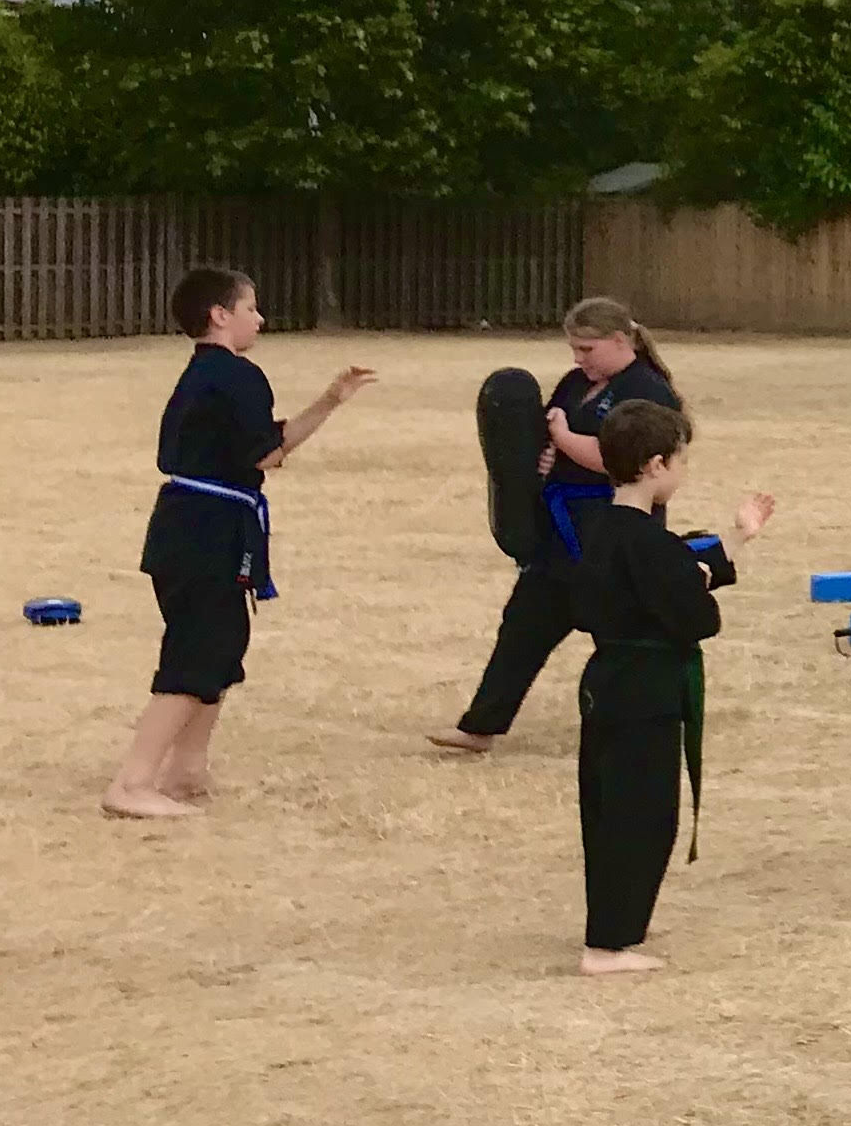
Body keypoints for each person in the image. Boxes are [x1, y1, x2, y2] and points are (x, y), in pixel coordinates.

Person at [102, 266, 374, 819]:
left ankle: (186, 770)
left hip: (187, 525)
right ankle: (131, 784)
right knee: (198, 649)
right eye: (251, 308)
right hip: (206, 530)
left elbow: (264, 443)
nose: (260, 318)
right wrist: (313, 416)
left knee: (222, 644)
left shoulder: (203, 374)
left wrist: (329, 400)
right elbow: (268, 454)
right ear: (220, 315)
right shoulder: (237, 375)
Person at [568, 401, 773, 977]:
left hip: (608, 679)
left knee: (607, 808)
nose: (682, 472)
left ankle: (615, 922)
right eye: (680, 461)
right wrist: (697, 582)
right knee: (644, 814)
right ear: (656, 464)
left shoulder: (600, 529)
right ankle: (607, 944)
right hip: (647, 689)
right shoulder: (648, 543)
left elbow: (675, 577)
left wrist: (736, 539)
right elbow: (694, 613)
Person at [435, 295, 680, 756]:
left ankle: (649, 723)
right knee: (523, 627)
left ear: (619, 340)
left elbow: (622, 461)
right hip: (561, 533)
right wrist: (538, 457)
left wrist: (564, 439)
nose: (578, 359)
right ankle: (481, 726)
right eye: (574, 349)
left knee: (623, 637)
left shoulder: (647, 392)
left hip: (614, 532)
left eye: (587, 349)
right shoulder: (574, 384)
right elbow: (544, 437)